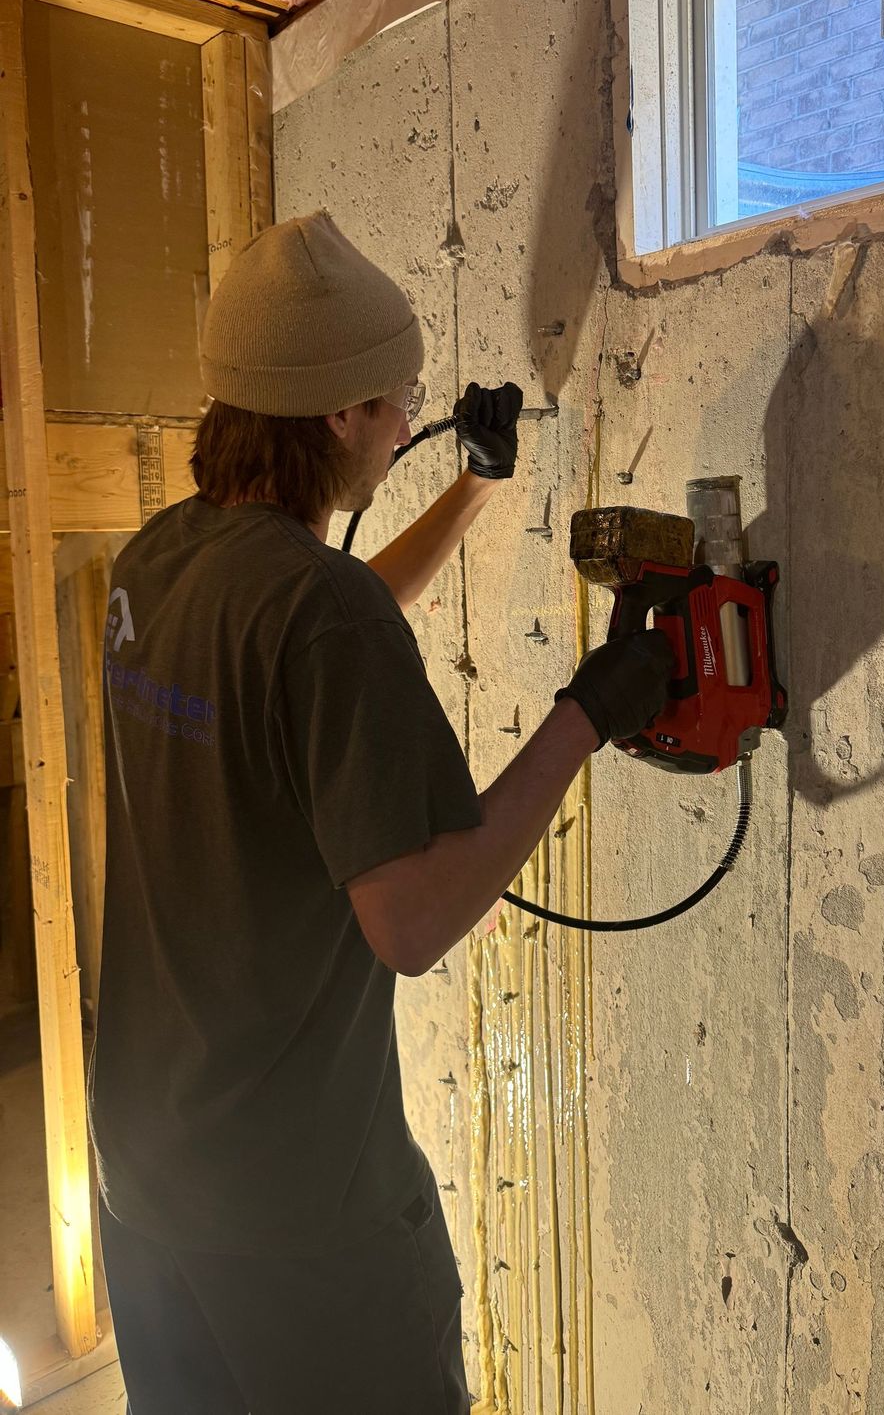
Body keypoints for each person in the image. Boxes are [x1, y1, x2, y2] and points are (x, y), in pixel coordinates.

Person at [87, 210, 673, 1414]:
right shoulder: (319, 615)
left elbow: (317, 632)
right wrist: (585, 713)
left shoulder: (159, 562)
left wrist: (470, 487)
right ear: (338, 416)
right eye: (399, 401)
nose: (411, 418)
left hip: (149, 1175)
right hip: (301, 1217)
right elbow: (407, 921)